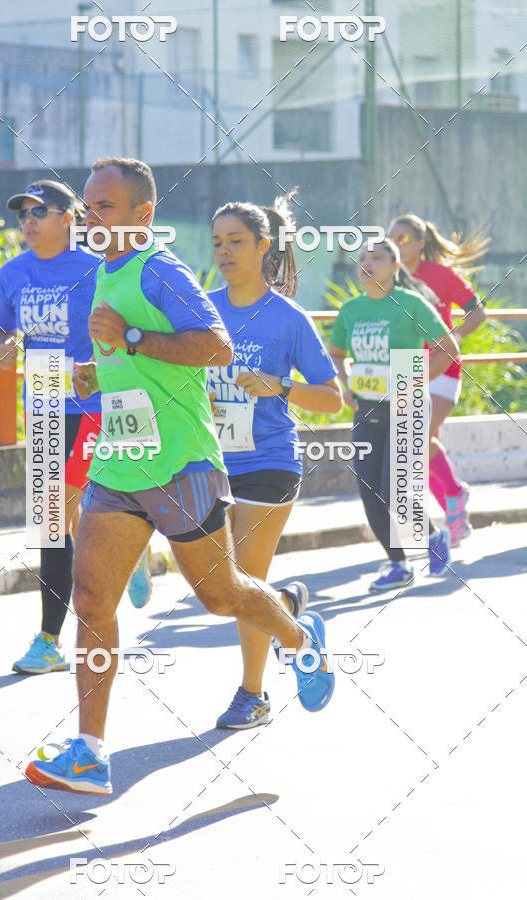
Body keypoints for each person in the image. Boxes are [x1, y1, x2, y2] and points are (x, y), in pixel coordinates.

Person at [24, 158, 334, 795]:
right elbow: (126, 362)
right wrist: (98, 370)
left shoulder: (159, 269)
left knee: (219, 597)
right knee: (90, 600)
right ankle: (89, 752)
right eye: (86, 205)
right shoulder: (100, 274)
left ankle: (297, 632)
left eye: (103, 206)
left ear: (143, 216)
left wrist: (133, 338)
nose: (89, 216)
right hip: (120, 460)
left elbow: (217, 347)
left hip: (182, 462)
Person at [0, 180, 150, 677]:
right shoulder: (13, 272)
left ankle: (51, 634)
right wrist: (4, 345)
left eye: (40, 212)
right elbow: (1, 326)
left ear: (69, 218)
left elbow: (128, 327)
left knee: (57, 509)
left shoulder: (95, 268)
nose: (29, 221)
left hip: (96, 406)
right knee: (51, 521)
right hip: (41, 403)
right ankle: (52, 640)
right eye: (23, 214)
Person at [208, 194, 342, 729]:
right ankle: (288, 609)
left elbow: (332, 397)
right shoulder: (203, 309)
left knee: (242, 578)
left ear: (264, 246)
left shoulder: (288, 319)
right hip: (209, 459)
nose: (223, 251)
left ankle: (253, 695)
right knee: (218, 586)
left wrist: (278, 386)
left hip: (269, 460)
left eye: (236, 241)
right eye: (216, 242)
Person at [330, 238, 460, 591]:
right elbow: (337, 352)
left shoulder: (410, 304)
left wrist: (414, 379)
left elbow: (449, 348)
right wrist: (344, 382)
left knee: (396, 490)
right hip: (366, 408)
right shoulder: (351, 310)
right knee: (370, 490)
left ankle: (432, 535)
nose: (368, 263)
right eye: (362, 258)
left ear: (395, 266)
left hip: (407, 403)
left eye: (378, 257)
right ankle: (398, 564)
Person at [388, 215, 489, 546]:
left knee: (418, 438)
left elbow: (478, 311)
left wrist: (453, 336)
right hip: (405, 366)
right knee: (414, 444)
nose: (396, 244)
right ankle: (454, 513)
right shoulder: (389, 277)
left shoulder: (441, 275)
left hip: (442, 364)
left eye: (403, 238)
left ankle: (454, 496)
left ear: (420, 242)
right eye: (392, 238)